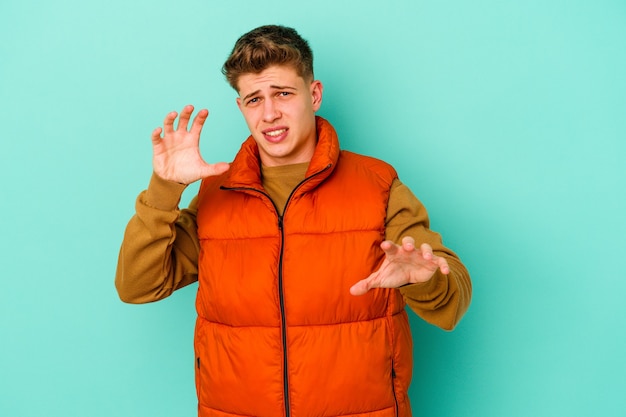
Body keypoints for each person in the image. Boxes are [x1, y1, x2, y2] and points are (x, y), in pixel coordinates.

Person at [116, 24, 471, 417]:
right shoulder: (217, 193)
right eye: (254, 99)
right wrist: (165, 188)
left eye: (283, 93)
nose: (269, 113)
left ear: (313, 94)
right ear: (241, 108)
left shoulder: (378, 184)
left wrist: (423, 278)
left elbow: (451, 303)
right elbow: (138, 285)